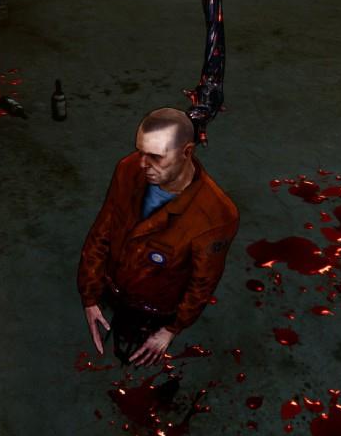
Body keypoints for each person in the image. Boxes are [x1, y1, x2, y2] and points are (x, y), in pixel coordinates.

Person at [77, 107, 239, 367]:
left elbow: (202, 283)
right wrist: (90, 295)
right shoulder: (128, 170)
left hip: (154, 309)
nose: (143, 164)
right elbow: (102, 232)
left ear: (187, 152)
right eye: (141, 152)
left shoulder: (215, 216)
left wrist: (171, 329)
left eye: (155, 156)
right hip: (112, 285)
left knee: (129, 357)